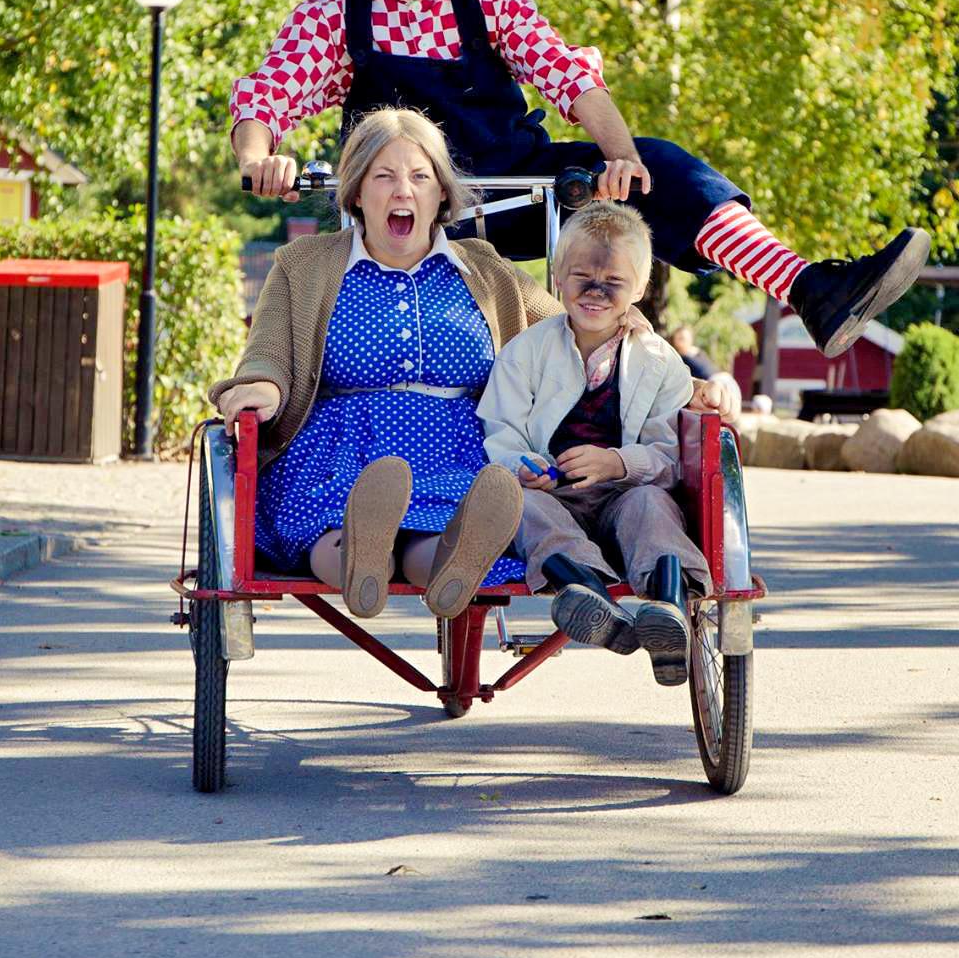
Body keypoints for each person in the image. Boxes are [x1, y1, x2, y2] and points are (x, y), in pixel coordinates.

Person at [232, 0, 929, 363]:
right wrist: (262, 158)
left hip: (511, 191)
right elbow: (265, 102)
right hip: (405, 210)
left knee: (667, 168)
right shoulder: (336, 12)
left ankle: (811, 289)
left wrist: (622, 157)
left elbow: (574, 81)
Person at [209, 107, 734, 622]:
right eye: (384, 176)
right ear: (356, 191)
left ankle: (446, 568)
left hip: (458, 448)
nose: (402, 191)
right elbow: (270, 353)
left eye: (420, 177)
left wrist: (689, 383)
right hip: (343, 444)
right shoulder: (305, 264)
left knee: (443, 530)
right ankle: (360, 560)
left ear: (441, 195)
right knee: (330, 519)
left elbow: (586, 326)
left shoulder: (484, 270)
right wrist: (260, 389)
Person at [478, 202, 706, 686]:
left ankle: (666, 605)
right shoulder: (528, 351)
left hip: (625, 495)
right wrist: (526, 465)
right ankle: (587, 591)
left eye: (614, 283)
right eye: (582, 276)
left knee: (652, 504)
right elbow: (501, 428)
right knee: (524, 505)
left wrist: (618, 462)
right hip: (553, 492)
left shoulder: (661, 363)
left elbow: (669, 456)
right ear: (557, 277)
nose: (596, 292)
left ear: (639, 289)